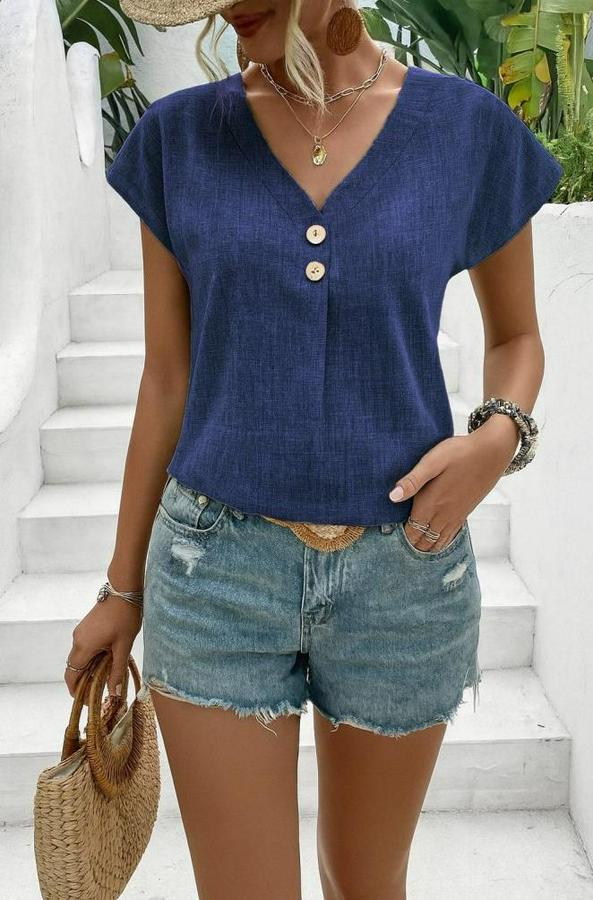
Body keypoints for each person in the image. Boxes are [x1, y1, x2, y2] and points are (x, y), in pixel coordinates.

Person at [64, 1, 563, 897]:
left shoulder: (465, 130)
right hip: (214, 577)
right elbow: (167, 378)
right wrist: (120, 591)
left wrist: (497, 437)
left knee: (365, 881)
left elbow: (517, 336)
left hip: (404, 580)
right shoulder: (180, 139)